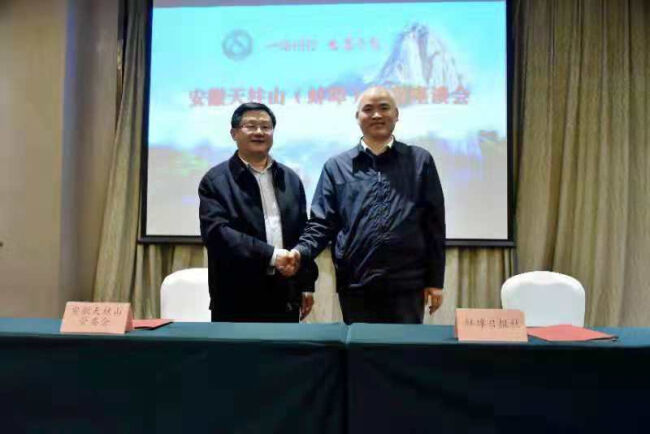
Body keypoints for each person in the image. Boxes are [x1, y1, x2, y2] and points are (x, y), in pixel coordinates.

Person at [285, 87, 445, 324]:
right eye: (368, 109)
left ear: (397, 114)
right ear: (357, 117)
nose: (377, 115)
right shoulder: (336, 167)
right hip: (355, 284)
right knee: (359, 347)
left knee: (404, 347)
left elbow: (434, 225)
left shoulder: (420, 160)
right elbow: (321, 223)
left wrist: (435, 280)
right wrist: (300, 252)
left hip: (407, 284)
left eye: (384, 108)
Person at [198, 102, 317, 322]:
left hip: (285, 294)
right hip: (236, 298)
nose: (259, 132)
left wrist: (306, 284)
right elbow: (217, 234)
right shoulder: (215, 181)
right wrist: (272, 256)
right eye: (251, 126)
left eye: (266, 126)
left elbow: (302, 231)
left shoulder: (290, 179)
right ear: (234, 133)